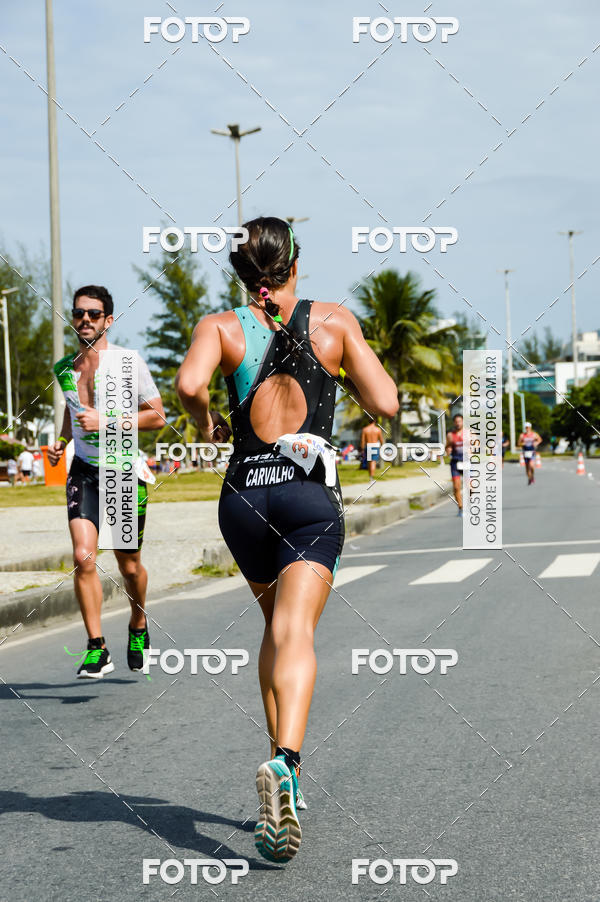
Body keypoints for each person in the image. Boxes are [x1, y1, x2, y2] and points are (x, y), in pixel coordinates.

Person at [175, 217, 398, 863]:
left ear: (240, 273)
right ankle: (288, 765)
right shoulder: (334, 320)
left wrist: (208, 421)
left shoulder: (219, 327)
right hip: (307, 497)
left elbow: (188, 386)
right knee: (295, 631)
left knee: (273, 628)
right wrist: (344, 375)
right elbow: (385, 402)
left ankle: (280, 764)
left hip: (244, 497)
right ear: (295, 262)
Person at [47, 286, 164, 679]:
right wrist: (62, 441)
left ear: (108, 320)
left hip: (122, 472)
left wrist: (107, 421)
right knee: (83, 556)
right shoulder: (64, 368)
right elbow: (73, 411)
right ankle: (97, 647)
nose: (85, 319)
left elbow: (157, 416)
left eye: (93, 314)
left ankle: (138, 623)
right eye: (79, 313)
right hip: (83, 470)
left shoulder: (128, 362)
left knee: (129, 566)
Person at [445, 413, 464, 515]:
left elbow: (477, 445)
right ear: (454, 423)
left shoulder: (470, 433)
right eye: (456, 422)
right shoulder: (450, 435)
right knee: (456, 487)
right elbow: (447, 446)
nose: (458, 423)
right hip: (455, 462)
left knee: (471, 487)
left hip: (467, 462)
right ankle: (460, 508)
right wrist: (448, 450)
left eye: (459, 421)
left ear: (463, 422)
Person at [518, 421, 542, 485]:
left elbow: (540, 439)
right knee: (527, 467)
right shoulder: (522, 435)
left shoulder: (534, 434)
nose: (527, 429)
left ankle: (532, 476)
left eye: (528, 427)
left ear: (530, 427)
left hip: (532, 451)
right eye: (526, 427)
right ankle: (529, 478)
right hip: (525, 452)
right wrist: (522, 444)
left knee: (531, 465)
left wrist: (536, 443)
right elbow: (518, 443)